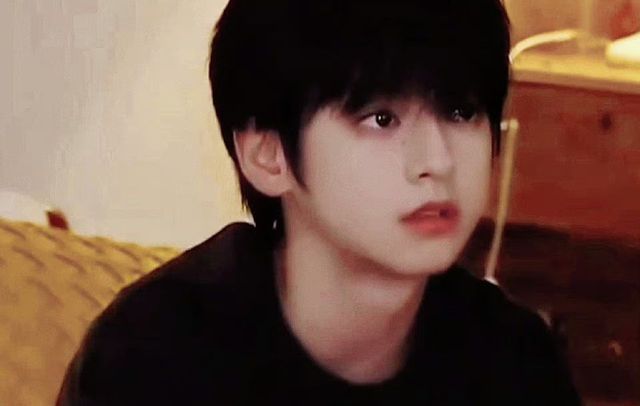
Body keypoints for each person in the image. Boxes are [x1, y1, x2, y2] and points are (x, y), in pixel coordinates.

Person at [57, 0, 582, 404]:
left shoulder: (515, 361)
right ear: (268, 156)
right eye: (382, 119)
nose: (437, 161)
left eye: (461, 113)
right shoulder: (153, 356)